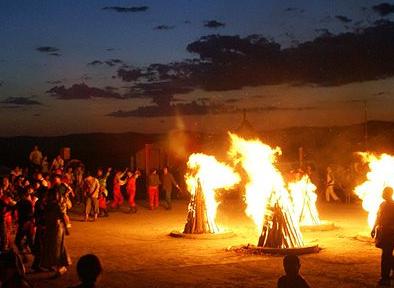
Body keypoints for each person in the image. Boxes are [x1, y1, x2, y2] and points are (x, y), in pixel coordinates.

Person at [40, 188, 71, 277]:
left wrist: (66, 227)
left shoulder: (57, 205)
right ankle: (62, 266)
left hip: (57, 228)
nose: (52, 196)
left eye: (54, 195)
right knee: (57, 247)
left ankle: (59, 268)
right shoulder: (48, 204)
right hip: (51, 227)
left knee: (56, 247)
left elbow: (63, 216)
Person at [371, 187, 394, 286]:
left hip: (391, 234)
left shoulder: (393, 205)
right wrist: (373, 228)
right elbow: (378, 216)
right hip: (384, 233)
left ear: (389, 193)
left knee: (386, 256)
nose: (382, 193)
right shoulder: (382, 204)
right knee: (387, 255)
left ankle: (385, 278)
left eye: (384, 192)